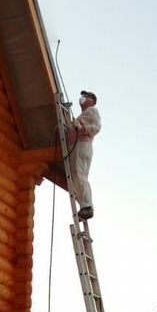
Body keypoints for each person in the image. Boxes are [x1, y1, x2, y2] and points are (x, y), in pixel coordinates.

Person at [67, 91, 101, 220]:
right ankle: (84, 206)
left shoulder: (92, 110)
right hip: (78, 146)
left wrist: (83, 128)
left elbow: (97, 127)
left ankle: (87, 206)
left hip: (82, 146)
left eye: (85, 97)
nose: (82, 99)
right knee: (76, 176)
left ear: (91, 100)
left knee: (79, 175)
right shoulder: (83, 114)